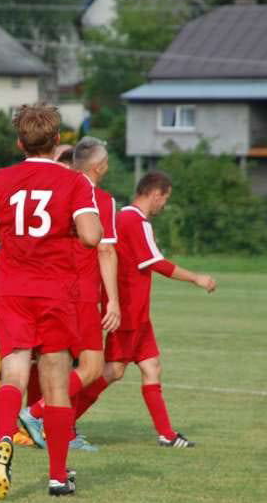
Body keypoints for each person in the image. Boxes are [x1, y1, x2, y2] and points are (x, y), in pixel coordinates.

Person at [0, 103, 101, 499]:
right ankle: (58, 477)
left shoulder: (1, 180)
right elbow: (92, 236)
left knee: (12, 373)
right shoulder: (75, 182)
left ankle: (2, 445)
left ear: (19, 142)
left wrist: (7, 232)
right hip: (56, 291)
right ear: (57, 140)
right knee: (56, 385)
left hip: (11, 289)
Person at [66, 171, 216, 448]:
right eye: (165, 198)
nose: (164, 205)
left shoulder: (121, 216)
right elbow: (156, 262)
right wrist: (197, 278)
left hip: (137, 312)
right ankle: (58, 419)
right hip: (128, 310)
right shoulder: (135, 220)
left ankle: (167, 434)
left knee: (151, 367)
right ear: (155, 194)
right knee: (111, 370)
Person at [18, 136, 121, 452]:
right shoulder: (99, 198)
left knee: (56, 362)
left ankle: (60, 430)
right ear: (99, 166)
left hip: (47, 289)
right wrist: (113, 300)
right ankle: (38, 414)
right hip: (83, 293)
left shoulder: (55, 188)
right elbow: (105, 249)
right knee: (90, 366)